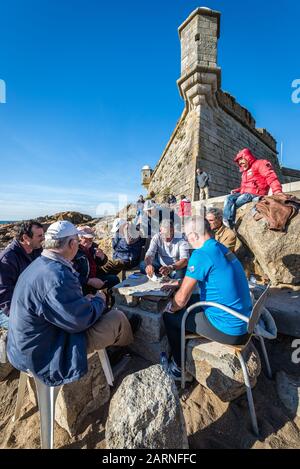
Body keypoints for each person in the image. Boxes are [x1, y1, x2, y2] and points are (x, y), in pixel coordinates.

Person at [7, 220, 140, 386]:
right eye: (77, 241)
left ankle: (116, 343)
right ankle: (121, 349)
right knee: (117, 318)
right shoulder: (58, 276)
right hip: (44, 354)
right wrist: (99, 300)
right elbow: (80, 321)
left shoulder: (39, 264)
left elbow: (56, 306)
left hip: (23, 348)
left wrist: (84, 301)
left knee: (99, 309)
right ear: (71, 244)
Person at [162, 217, 252, 382]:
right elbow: (213, 276)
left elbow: (180, 300)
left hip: (229, 329)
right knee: (192, 300)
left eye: (188, 237)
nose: (188, 242)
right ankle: (184, 347)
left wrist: (171, 306)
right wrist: (179, 282)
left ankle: (178, 368)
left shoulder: (200, 254)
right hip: (244, 319)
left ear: (195, 235)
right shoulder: (221, 248)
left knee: (170, 316)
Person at [0, 221, 44, 329]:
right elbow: (4, 295)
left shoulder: (37, 251)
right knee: (39, 329)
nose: (43, 238)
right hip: (8, 310)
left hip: (30, 303)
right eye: (39, 236)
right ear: (25, 238)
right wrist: (22, 317)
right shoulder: (8, 259)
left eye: (43, 235)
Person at [223, 148, 283, 229]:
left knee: (237, 202)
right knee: (228, 198)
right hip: (244, 193)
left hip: (256, 194)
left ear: (247, 157)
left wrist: (277, 191)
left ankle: (231, 221)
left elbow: (270, 176)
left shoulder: (260, 163)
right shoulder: (245, 173)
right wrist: (237, 190)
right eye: (239, 161)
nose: (240, 162)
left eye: (241, 159)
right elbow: (244, 186)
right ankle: (227, 220)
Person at [73, 226, 119, 293]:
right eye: (86, 238)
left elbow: (102, 263)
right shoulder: (74, 251)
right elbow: (71, 275)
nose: (89, 241)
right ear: (78, 238)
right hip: (82, 283)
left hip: (95, 276)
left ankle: (108, 297)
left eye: (91, 239)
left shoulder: (93, 247)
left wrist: (102, 257)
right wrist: (89, 281)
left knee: (114, 278)